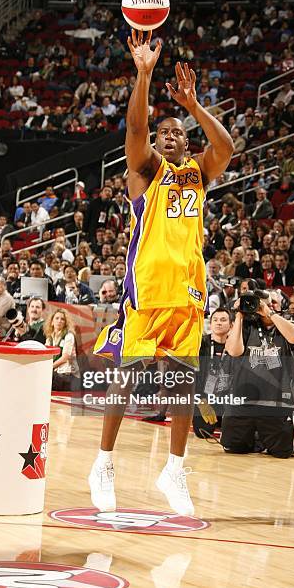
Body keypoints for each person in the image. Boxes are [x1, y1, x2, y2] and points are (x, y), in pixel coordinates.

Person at [89, 30, 234, 516]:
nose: (169, 137)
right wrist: (144, 74)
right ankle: (103, 463)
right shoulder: (145, 171)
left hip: (189, 293)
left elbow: (227, 147)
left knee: (181, 386)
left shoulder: (197, 172)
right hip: (147, 293)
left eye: (177, 133)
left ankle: (174, 469)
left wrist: (192, 106)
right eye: (163, 132)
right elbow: (134, 132)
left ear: (186, 141)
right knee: (126, 380)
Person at [222, 290, 294, 458]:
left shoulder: (287, 327)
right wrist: (239, 315)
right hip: (243, 403)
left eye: (274, 302)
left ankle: (263, 438)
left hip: (277, 405)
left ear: (282, 306)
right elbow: (233, 351)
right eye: (264, 302)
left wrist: (269, 313)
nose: (267, 305)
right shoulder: (245, 326)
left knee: (282, 453)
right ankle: (257, 439)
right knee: (232, 448)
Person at [193, 308, 234, 437]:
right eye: (215, 320)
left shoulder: (236, 345)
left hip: (229, 400)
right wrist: (200, 401)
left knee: (234, 436)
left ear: (231, 325)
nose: (218, 323)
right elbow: (191, 376)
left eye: (223, 320)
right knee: (202, 433)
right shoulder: (201, 344)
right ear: (210, 324)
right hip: (206, 399)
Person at [44, 309, 80, 390]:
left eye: (62, 319)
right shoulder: (50, 338)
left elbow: (65, 358)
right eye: (57, 318)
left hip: (68, 376)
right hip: (55, 373)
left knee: (47, 376)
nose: (59, 321)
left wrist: (48, 367)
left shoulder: (69, 336)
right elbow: (45, 355)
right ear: (52, 322)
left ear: (65, 323)